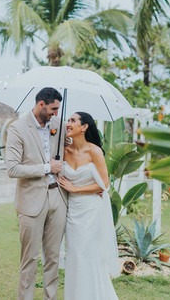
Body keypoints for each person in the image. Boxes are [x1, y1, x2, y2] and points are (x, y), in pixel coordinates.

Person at [6, 87, 67, 300]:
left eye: (58, 109)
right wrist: (46, 167)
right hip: (31, 200)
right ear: (41, 104)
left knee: (53, 258)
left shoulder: (59, 125)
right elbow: (12, 169)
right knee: (30, 259)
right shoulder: (17, 128)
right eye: (53, 109)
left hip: (58, 198)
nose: (56, 114)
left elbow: (77, 148)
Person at [57, 111, 120, 300]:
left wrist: (75, 189)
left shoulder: (94, 151)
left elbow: (104, 184)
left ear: (84, 127)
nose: (68, 123)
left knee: (89, 254)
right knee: (75, 255)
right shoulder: (63, 150)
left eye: (73, 121)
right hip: (72, 212)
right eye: (68, 120)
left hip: (91, 210)